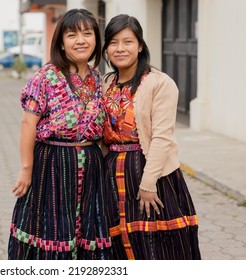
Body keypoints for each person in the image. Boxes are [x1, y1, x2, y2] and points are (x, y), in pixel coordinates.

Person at [8, 8, 113, 260]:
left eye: (87, 33)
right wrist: (26, 168)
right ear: (61, 43)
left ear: (96, 40)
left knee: (89, 227)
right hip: (52, 166)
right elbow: (27, 124)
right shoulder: (46, 77)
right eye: (72, 35)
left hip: (91, 168)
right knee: (51, 229)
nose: (81, 40)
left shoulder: (98, 79)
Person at [101, 14, 201, 260]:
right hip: (113, 171)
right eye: (113, 42)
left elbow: (162, 138)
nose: (120, 48)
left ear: (140, 46)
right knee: (120, 240)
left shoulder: (159, 83)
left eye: (128, 41)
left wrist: (147, 184)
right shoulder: (107, 83)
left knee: (156, 244)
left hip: (150, 172)